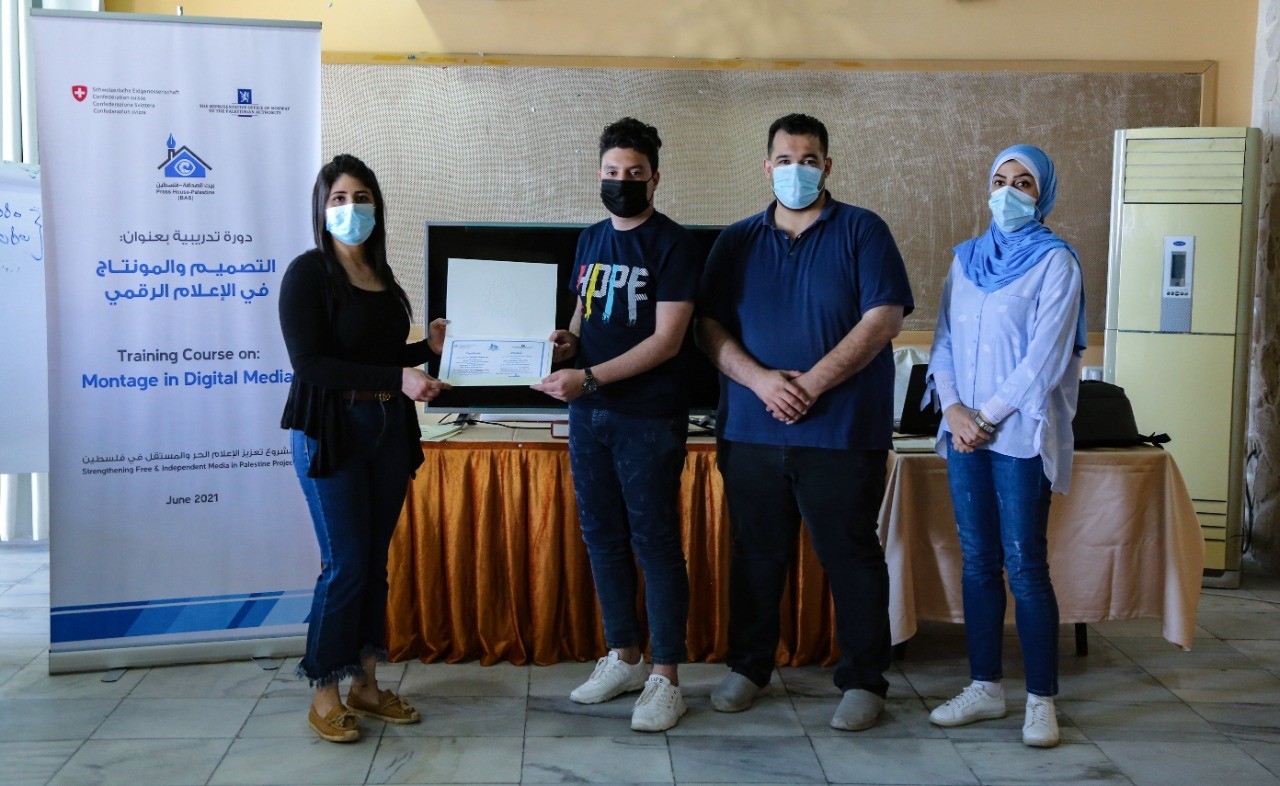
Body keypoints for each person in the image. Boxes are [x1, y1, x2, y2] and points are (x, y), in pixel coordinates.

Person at [695, 113, 913, 732]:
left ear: (828, 166)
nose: (798, 170)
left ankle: (864, 680)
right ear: (767, 167)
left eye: (810, 159)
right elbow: (707, 327)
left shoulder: (863, 230)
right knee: (754, 555)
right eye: (786, 160)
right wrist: (762, 382)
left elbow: (884, 318)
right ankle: (749, 667)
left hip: (841, 432)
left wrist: (810, 384)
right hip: (751, 430)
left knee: (851, 555)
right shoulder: (735, 241)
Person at [532, 117, 700, 732]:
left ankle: (666, 677)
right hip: (589, 416)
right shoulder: (589, 238)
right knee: (601, 536)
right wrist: (567, 341)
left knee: (654, 542)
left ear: (655, 178)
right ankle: (624, 656)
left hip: (648, 417)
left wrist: (591, 376)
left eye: (634, 173)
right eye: (611, 172)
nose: (621, 182)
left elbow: (667, 340)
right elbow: (584, 310)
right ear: (598, 174)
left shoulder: (674, 244)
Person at [279, 154, 449, 743]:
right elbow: (311, 364)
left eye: (362, 198)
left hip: (385, 431)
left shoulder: (381, 275)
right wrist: (397, 377)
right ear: (322, 209)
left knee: (373, 565)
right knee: (346, 564)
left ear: (377, 206)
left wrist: (424, 352)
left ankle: (366, 686)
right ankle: (324, 691)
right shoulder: (308, 273)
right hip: (330, 432)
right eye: (339, 199)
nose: (351, 209)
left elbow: (378, 359)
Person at [923, 144, 1085, 748]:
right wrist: (954, 410)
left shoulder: (1056, 262)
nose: (1009, 192)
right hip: (964, 433)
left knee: (1025, 564)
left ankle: (1041, 699)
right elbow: (943, 341)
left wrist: (985, 417)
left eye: (1023, 183)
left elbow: (1044, 358)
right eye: (999, 180)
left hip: (1019, 435)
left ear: (1043, 194)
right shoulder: (965, 260)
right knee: (977, 561)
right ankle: (985, 687)